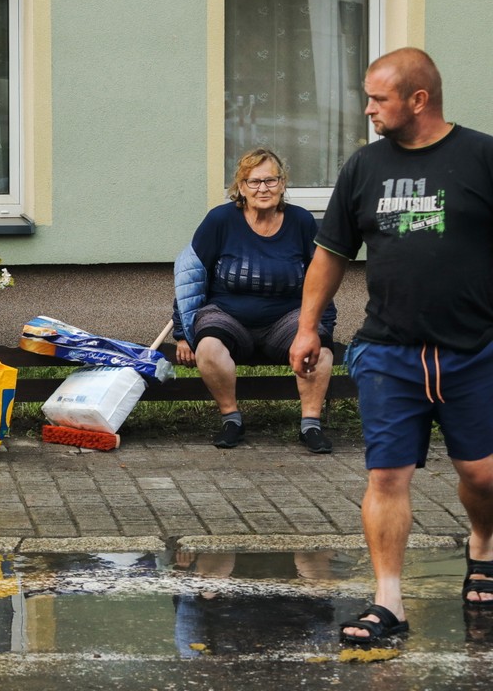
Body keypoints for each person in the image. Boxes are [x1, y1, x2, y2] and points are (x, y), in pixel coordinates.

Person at [291, 47, 493, 644]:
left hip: (473, 351)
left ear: (418, 100)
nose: (368, 108)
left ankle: (482, 544)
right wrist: (307, 327)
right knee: (386, 477)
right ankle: (388, 603)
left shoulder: (481, 158)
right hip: (389, 351)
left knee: (481, 476)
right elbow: (330, 253)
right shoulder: (364, 167)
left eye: (378, 98)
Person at [173, 147, 336, 453]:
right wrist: (183, 333)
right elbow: (191, 274)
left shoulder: (301, 221)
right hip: (228, 314)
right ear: (241, 187)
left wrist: (321, 327)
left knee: (321, 351)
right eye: (254, 181)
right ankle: (231, 420)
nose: (263, 188)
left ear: (283, 183)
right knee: (208, 346)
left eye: (271, 180)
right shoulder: (220, 220)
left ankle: (310, 425)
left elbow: (321, 277)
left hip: (286, 317)